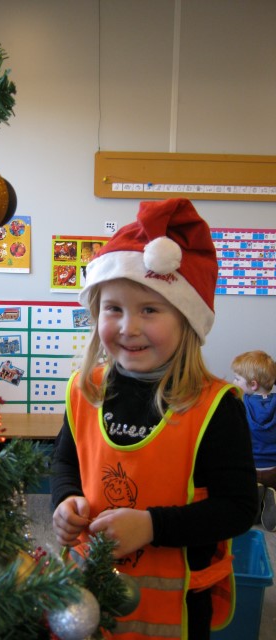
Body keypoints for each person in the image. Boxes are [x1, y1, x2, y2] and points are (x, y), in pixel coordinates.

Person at [50, 198, 258, 640]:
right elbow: (66, 462)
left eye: (149, 309)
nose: (128, 327)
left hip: (177, 612)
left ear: (186, 319)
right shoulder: (84, 390)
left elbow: (239, 508)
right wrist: (65, 500)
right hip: (87, 598)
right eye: (114, 308)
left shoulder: (217, 407)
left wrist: (152, 526)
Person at [232, 349, 276, 531]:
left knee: (239, 483)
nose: (234, 382)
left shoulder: (242, 402)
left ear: (253, 384)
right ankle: (271, 496)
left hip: (252, 466)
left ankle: (255, 496)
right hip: (274, 467)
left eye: (237, 379)